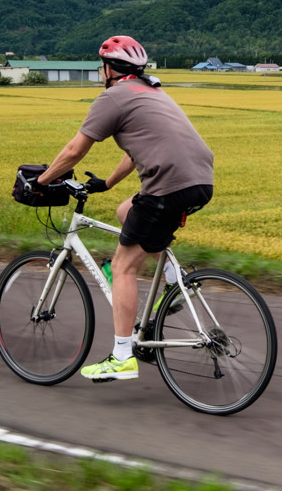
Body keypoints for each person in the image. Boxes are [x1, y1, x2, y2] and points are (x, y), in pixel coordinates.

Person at [36, 35, 214, 381]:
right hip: (201, 181)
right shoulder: (151, 92)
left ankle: (121, 357)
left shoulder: (113, 97)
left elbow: (74, 151)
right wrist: (106, 183)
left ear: (108, 69)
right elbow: (136, 149)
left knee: (122, 267)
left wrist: (41, 181)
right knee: (125, 211)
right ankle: (174, 283)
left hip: (168, 186)